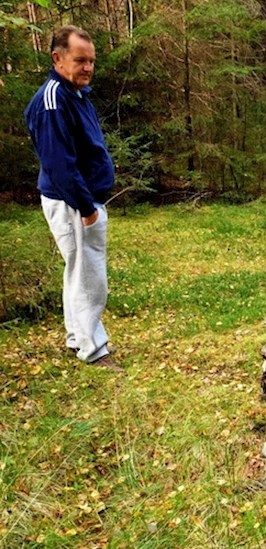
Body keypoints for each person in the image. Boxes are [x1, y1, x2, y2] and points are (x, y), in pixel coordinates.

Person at [24, 25, 120, 370]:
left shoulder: (75, 94)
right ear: (57, 58)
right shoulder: (52, 101)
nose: (88, 67)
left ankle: (76, 337)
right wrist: (84, 206)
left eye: (91, 61)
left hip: (81, 200)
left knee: (77, 272)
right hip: (72, 203)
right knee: (88, 276)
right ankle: (93, 348)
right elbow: (59, 164)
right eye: (80, 60)